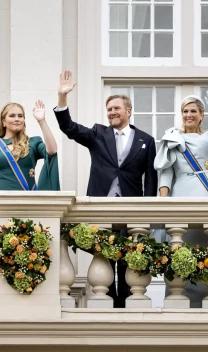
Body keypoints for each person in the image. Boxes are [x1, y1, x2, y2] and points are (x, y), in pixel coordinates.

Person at [53, 69, 158, 308]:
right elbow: (69, 127)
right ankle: (108, 303)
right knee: (105, 255)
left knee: (129, 259)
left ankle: (128, 305)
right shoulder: (98, 134)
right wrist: (62, 98)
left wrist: (149, 211)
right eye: (109, 109)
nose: (112, 112)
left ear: (128, 111)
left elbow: (150, 179)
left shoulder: (146, 140)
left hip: (131, 209)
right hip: (101, 206)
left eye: (116, 108)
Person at [154, 90, 208, 308]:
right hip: (181, 194)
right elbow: (165, 172)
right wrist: (164, 202)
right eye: (185, 111)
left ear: (201, 114)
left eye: (193, 111)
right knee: (181, 247)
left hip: (205, 194)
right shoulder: (173, 136)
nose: (188, 115)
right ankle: (183, 298)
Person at [0, 100, 59, 191]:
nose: (17, 119)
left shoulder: (34, 142)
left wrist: (41, 121)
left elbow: (52, 151)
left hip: (28, 200)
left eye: (20, 116)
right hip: (0, 200)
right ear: (3, 122)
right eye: (12, 116)